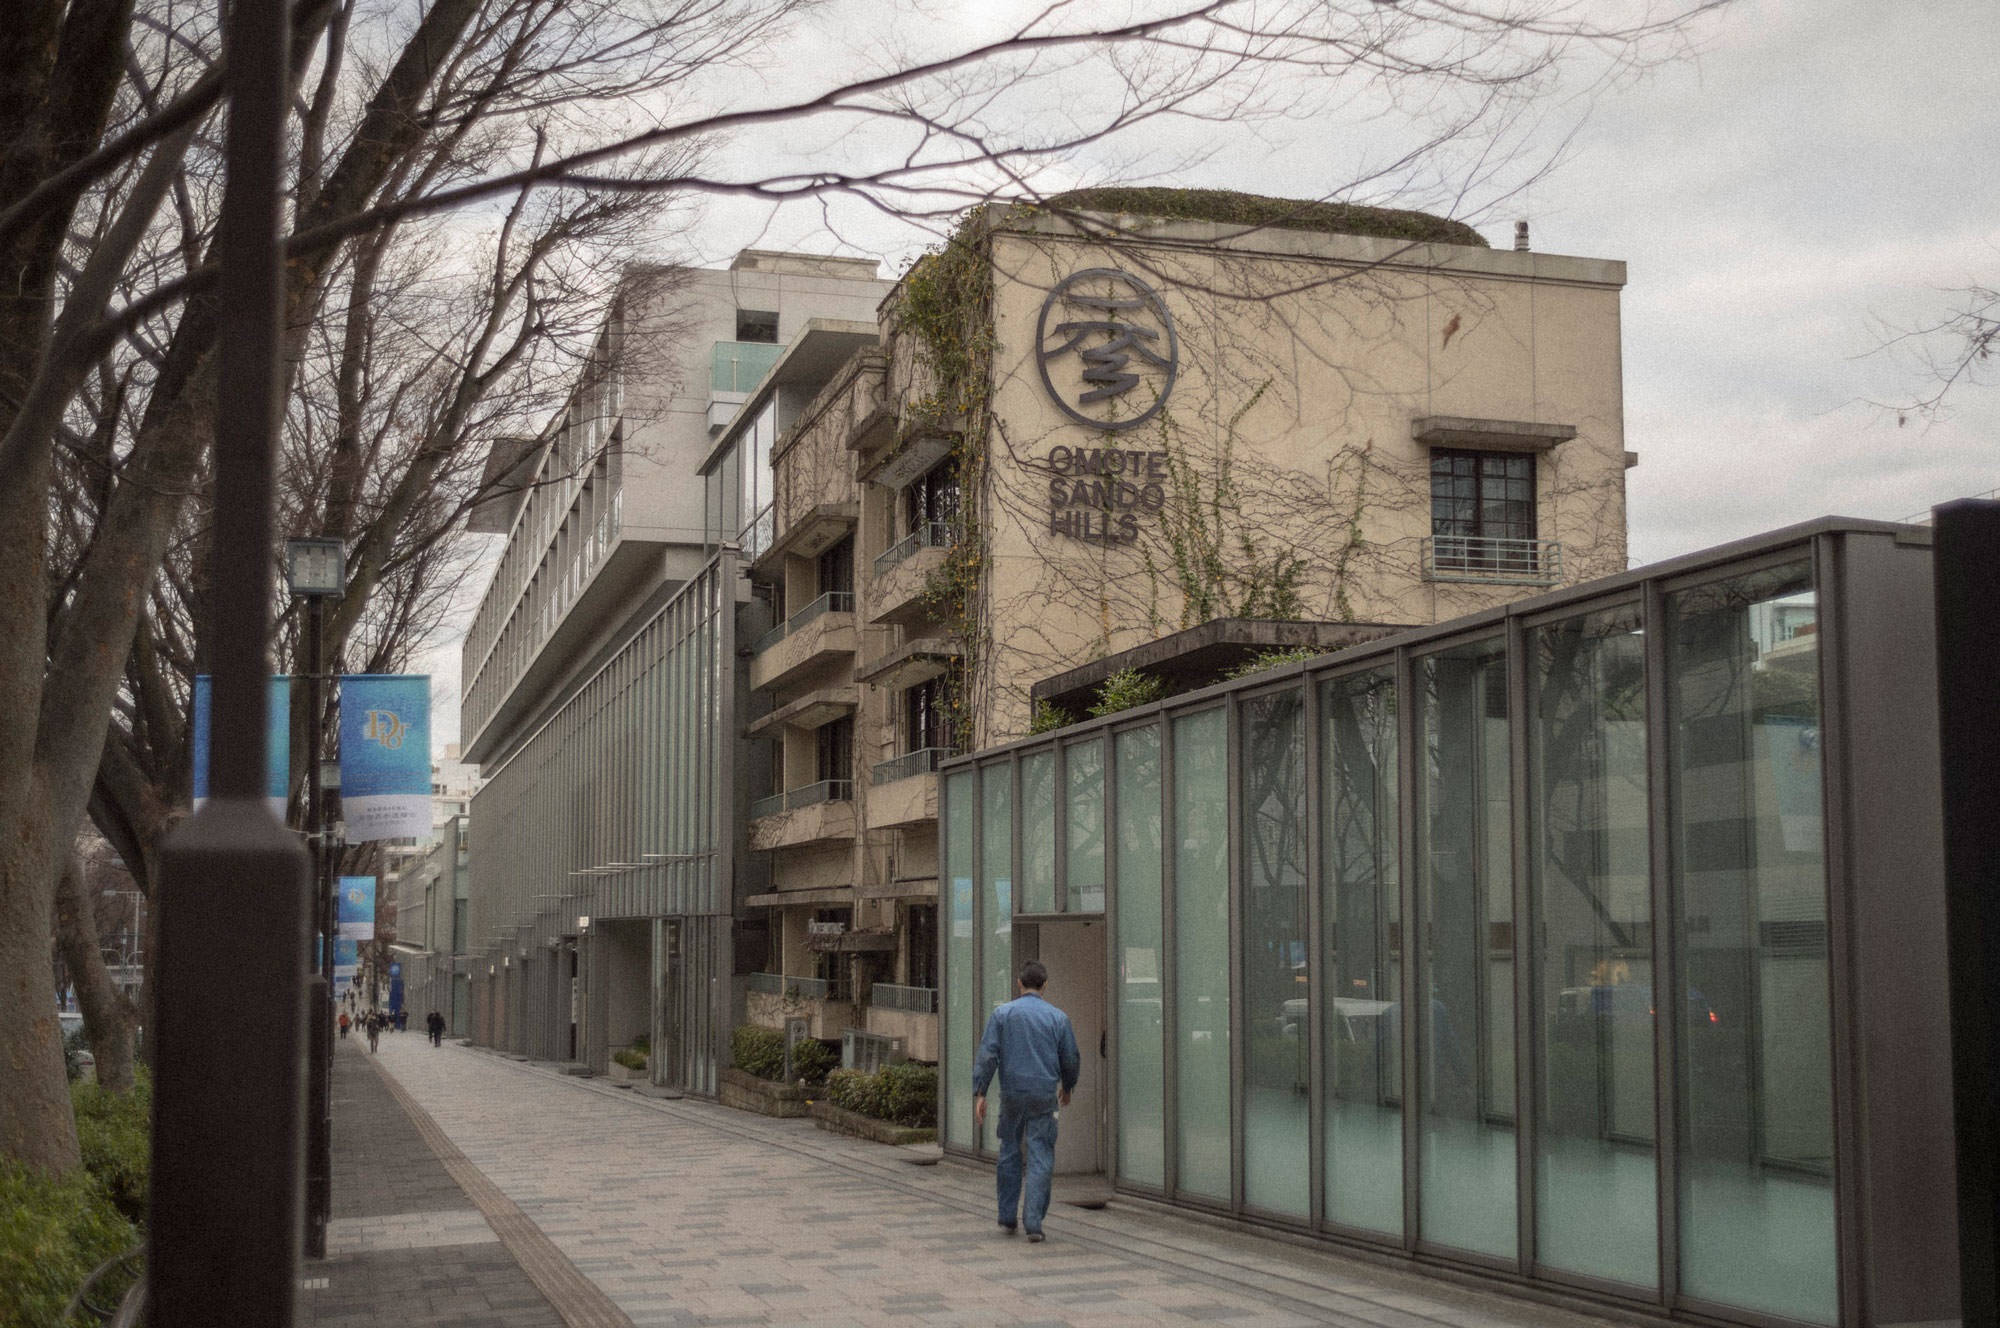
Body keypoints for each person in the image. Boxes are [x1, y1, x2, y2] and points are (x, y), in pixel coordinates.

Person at [972, 959, 1080, 1243]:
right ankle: (1034, 1223)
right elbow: (1070, 1058)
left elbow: (988, 1054)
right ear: (1045, 985)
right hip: (1044, 1095)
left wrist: (980, 1092)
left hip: (1011, 1094)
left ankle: (1007, 1217)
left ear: (1019, 983)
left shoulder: (1002, 1014)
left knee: (1009, 1152)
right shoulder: (1058, 1018)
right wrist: (1067, 1087)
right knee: (1040, 1155)